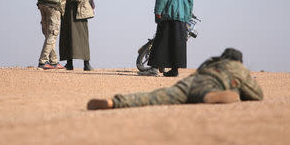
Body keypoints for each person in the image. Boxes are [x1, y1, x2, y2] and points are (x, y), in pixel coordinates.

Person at [87, 48, 263, 110]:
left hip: (189, 84)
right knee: (230, 92)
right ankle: (210, 96)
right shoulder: (239, 68)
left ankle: (114, 102)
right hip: (214, 85)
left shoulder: (211, 62)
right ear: (238, 61)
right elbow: (257, 94)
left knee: (154, 97)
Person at [59, 0, 125, 71]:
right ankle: (69, 64)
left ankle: (86, 64)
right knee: (67, 36)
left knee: (83, 38)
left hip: (81, 10)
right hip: (67, 9)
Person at [36, 0, 87, 69]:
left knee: (48, 34)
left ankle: (53, 61)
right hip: (54, 6)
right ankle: (43, 61)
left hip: (41, 4)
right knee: (53, 33)